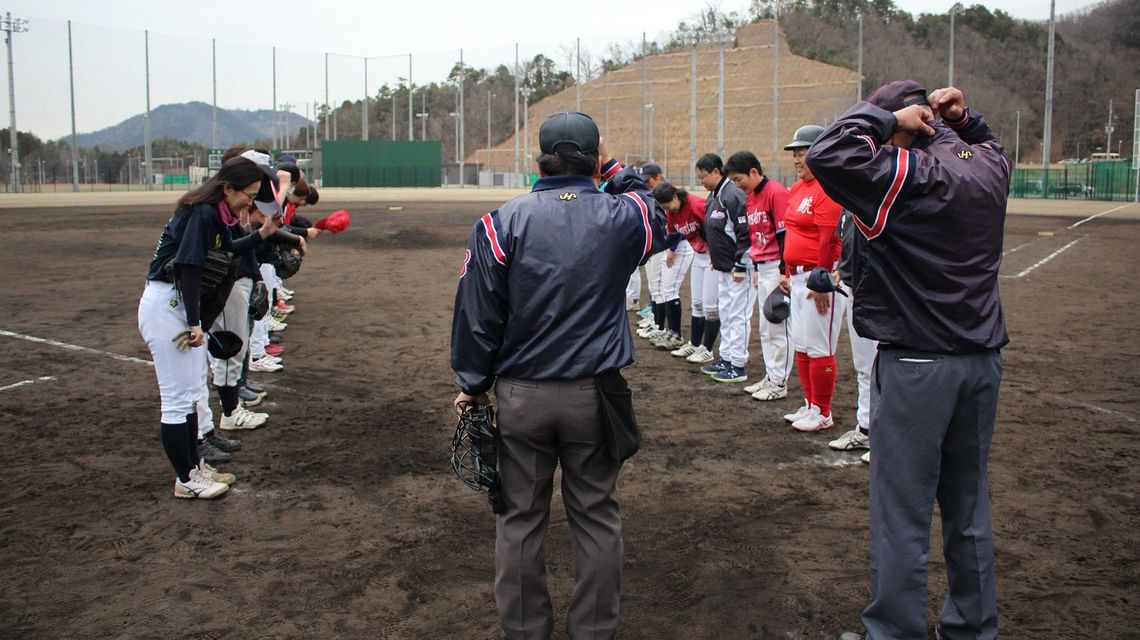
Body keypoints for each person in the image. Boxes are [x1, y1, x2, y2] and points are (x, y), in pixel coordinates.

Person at [450, 111, 667, 640]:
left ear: (538, 161)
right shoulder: (620, 214)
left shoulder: (502, 221)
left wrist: (473, 385)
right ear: (595, 160)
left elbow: (477, 315)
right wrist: (613, 166)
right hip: (596, 394)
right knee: (595, 516)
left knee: (520, 520)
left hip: (521, 395)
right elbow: (655, 214)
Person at [807, 81, 1011, 640]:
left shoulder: (908, 173)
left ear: (905, 125)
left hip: (919, 360)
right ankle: (972, 627)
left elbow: (831, 153)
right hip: (981, 358)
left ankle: (893, 632)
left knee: (901, 512)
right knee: (969, 507)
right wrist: (963, 119)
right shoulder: (987, 166)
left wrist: (879, 116)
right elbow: (988, 145)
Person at [138, 157, 281, 499]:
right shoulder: (202, 213)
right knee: (177, 400)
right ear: (227, 187)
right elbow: (188, 267)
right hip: (168, 307)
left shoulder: (214, 214)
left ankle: (194, 468)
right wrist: (194, 322)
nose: (250, 202)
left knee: (189, 396)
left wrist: (262, 233)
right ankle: (186, 479)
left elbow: (229, 249)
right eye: (246, 194)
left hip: (176, 305)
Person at [778, 125, 847, 432]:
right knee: (803, 345)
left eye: (802, 152)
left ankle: (823, 412)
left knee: (820, 347)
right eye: (795, 154)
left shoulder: (829, 188)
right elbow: (791, 233)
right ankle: (810, 405)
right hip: (798, 278)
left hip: (820, 279)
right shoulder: (797, 189)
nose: (797, 159)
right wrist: (787, 271)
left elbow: (829, 240)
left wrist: (820, 281)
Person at [723, 151, 792, 400]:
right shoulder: (751, 196)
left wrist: (785, 270)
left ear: (754, 171)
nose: (736, 184)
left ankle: (779, 382)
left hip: (777, 266)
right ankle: (771, 375)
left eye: (738, 178)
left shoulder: (775, 192)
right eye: (732, 180)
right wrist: (755, 265)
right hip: (763, 267)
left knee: (777, 326)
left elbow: (785, 234)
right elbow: (755, 235)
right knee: (765, 327)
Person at [825, 209, 878, 464]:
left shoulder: (878, 202)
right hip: (853, 286)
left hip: (878, 292)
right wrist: (840, 268)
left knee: (882, 367)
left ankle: (884, 437)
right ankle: (866, 428)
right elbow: (844, 242)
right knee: (864, 366)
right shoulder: (848, 206)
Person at [694, 153, 751, 379]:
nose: (702, 182)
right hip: (722, 267)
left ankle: (738, 364)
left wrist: (740, 263)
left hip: (738, 268)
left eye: (703, 177)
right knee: (726, 314)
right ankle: (726, 358)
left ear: (716, 171)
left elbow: (743, 232)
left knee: (738, 315)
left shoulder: (732, 195)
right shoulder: (714, 197)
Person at [650, 183, 710, 358]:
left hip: (712, 255)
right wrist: (653, 249)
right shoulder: (672, 212)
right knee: (697, 303)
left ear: (676, 197)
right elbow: (672, 236)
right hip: (699, 254)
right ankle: (694, 343)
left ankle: (706, 349)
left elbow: (715, 229)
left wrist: (718, 255)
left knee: (710, 306)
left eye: (668, 206)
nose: (668, 210)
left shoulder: (696, 205)